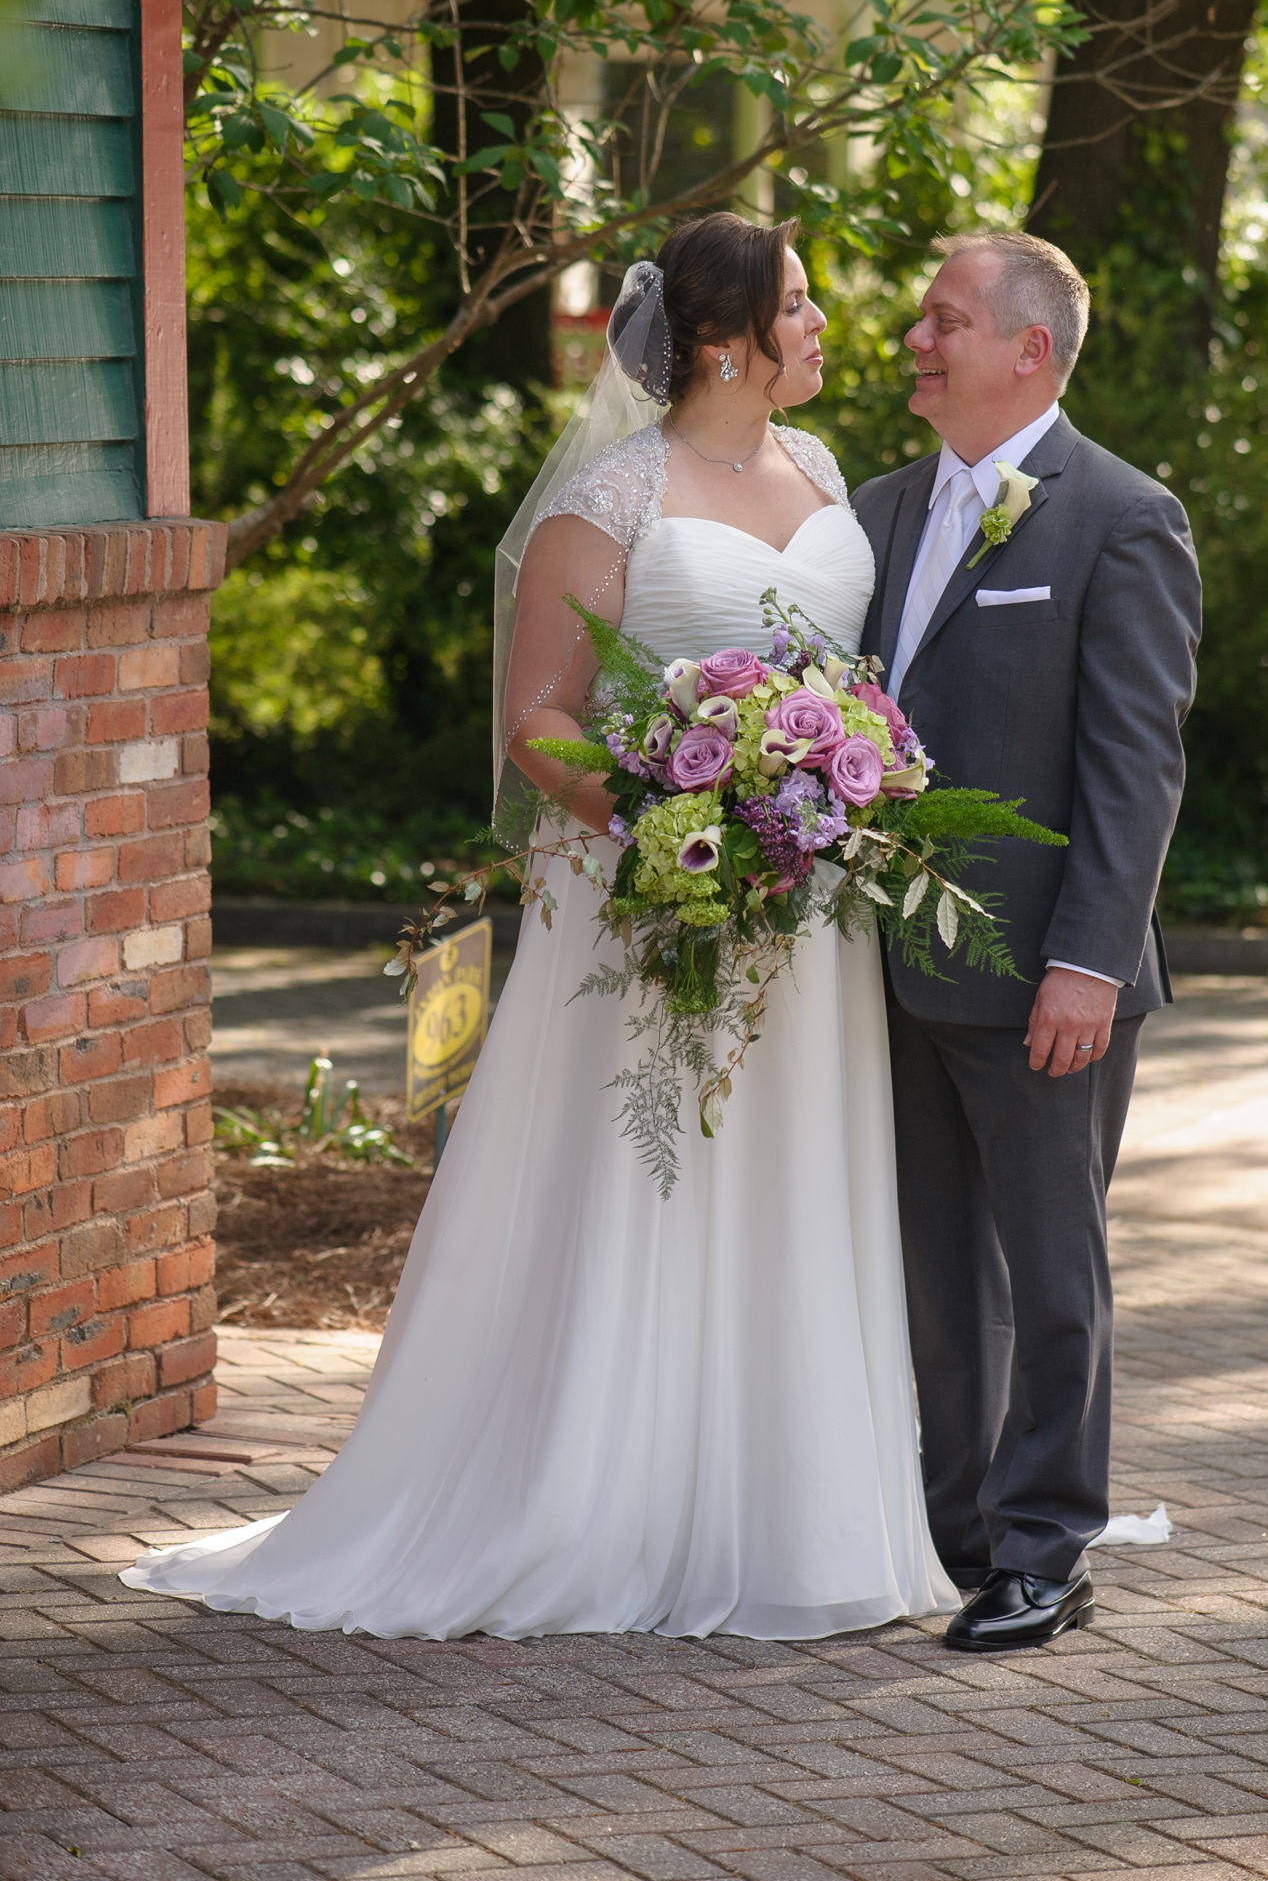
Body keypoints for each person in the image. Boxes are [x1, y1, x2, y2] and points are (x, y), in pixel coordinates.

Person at [119, 213, 953, 1641]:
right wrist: (670, 825)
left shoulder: (818, 471)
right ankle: (600, 1500)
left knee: (790, 1183)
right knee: (649, 1184)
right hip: (657, 902)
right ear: (721, 339)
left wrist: (821, 794)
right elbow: (538, 726)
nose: (824, 326)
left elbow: (842, 677)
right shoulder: (612, 499)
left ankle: (794, 1513)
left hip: (809, 920)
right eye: (799, 305)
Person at [853, 229, 1202, 1652]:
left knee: (1049, 1278)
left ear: (1027, 352)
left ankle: (1045, 1551)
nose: (914, 342)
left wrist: (1086, 961)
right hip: (887, 974)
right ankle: (956, 1538)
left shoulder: (1119, 517)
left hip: (1044, 977)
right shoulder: (872, 513)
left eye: (942, 321)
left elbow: (1135, 768)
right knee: (938, 1276)